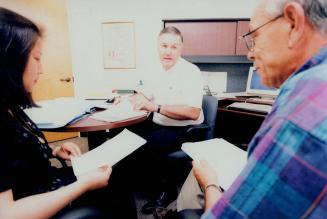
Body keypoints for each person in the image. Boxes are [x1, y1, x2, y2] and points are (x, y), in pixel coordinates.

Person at [177, 0, 327, 218]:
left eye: (254, 37)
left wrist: (210, 183)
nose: (250, 54)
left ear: (293, 23)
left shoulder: (304, 108)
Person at [0, 7, 136, 219]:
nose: (42, 69)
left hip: (42, 182)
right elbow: (6, 213)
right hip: (37, 199)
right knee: (114, 187)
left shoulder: (10, 108)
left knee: (116, 177)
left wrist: (53, 151)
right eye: (36, 58)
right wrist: (82, 185)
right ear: (9, 60)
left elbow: (12, 156)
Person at [119, 26, 204, 214]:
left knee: (146, 145)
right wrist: (127, 98)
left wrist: (155, 107)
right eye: (164, 46)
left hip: (184, 128)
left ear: (181, 48)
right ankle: (124, 185)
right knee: (125, 137)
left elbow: (193, 112)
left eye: (174, 47)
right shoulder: (154, 69)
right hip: (159, 123)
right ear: (157, 47)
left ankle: (167, 191)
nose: (168, 51)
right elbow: (143, 93)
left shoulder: (191, 72)